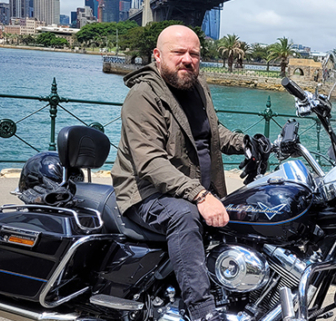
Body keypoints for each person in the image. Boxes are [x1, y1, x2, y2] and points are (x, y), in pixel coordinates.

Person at [112, 25, 263, 321]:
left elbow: (210, 132)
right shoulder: (143, 95)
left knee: (254, 210)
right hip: (147, 194)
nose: (187, 59)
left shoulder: (195, 87)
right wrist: (200, 195)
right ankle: (201, 311)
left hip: (190, 189)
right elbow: (150, 161)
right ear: (157, 55)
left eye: (194, 54)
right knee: (185, 215)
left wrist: (245, 143)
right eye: (178, 52)